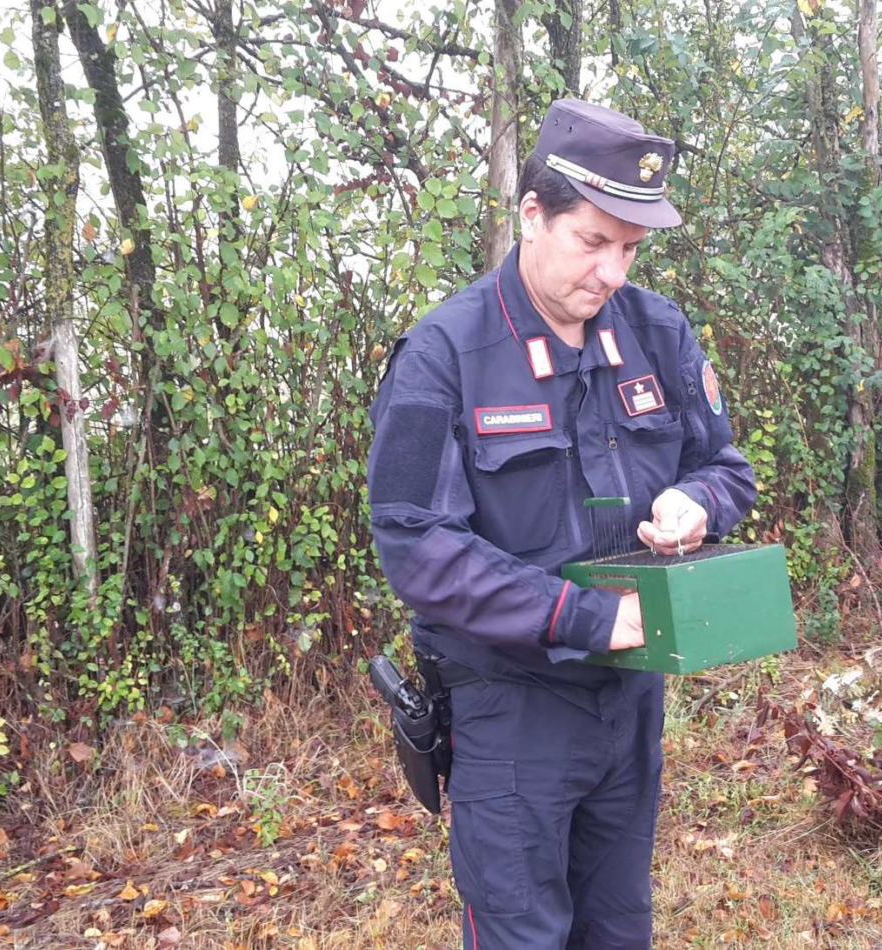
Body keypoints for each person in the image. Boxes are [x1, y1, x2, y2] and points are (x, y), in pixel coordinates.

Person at [365, 98, 757, 950]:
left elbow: (728, 468)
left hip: (630, 703)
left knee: (618, 928)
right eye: (594, 242)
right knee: (521, 935)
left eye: (631, 249)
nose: (613, 272)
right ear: (531, 214)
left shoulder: (657, 332)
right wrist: (590, 617)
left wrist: (697, 502)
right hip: (510, 708)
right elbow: (417, 547)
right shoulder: (443, 356)